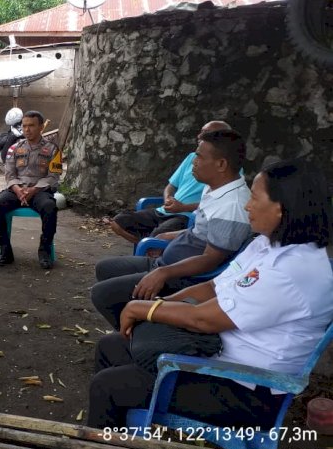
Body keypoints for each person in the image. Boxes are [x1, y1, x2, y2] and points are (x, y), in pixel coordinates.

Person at [87, 158, 333, 429]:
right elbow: (213, 286)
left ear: (281, 208)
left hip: (245, 389)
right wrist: (162, 303)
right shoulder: (267, 244)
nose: (247, 206)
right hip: (216, 356)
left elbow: (203, 319)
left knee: (108, 386)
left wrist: (141, 308)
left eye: (254, 198)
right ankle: (122, 437)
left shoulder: (293, 270)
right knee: (111, 346)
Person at [91, 129, 251, 330]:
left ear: (221, 164)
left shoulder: (232, 205)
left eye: (199, 157)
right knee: (105, 268)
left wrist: (164, 273)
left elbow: (211, 259)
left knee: (102, 294)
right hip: (168, 264)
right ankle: (133, 326)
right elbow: (200, 233)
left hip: (183, 279)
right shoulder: (215, 189)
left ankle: (137, 336)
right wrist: (170, 236)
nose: (194, 161)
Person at [108, 120, 232, 244]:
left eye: (206, 133)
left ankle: (150, 248)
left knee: (157, 237)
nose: (199, 136)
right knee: (119, 221)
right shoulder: (191, 157)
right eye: (201, 132)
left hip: (185, 216)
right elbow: (171, 185)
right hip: (164, 211)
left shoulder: (226, 169)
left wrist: (183, 207)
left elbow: (217, 203)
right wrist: (168, 199)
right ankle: (145, 247)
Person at [0, 110, 62, 269]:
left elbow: (53, 176)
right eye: (24, 126)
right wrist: (17, 189)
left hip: (40, 191)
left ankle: (45, 250)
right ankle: (5, 250)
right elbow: (9, 174)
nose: (27, 130)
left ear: (41, 127)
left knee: (49, 207)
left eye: (31, 126)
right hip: (17, 190)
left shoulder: (53, 149)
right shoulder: (14, 148)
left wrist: (33, 190)